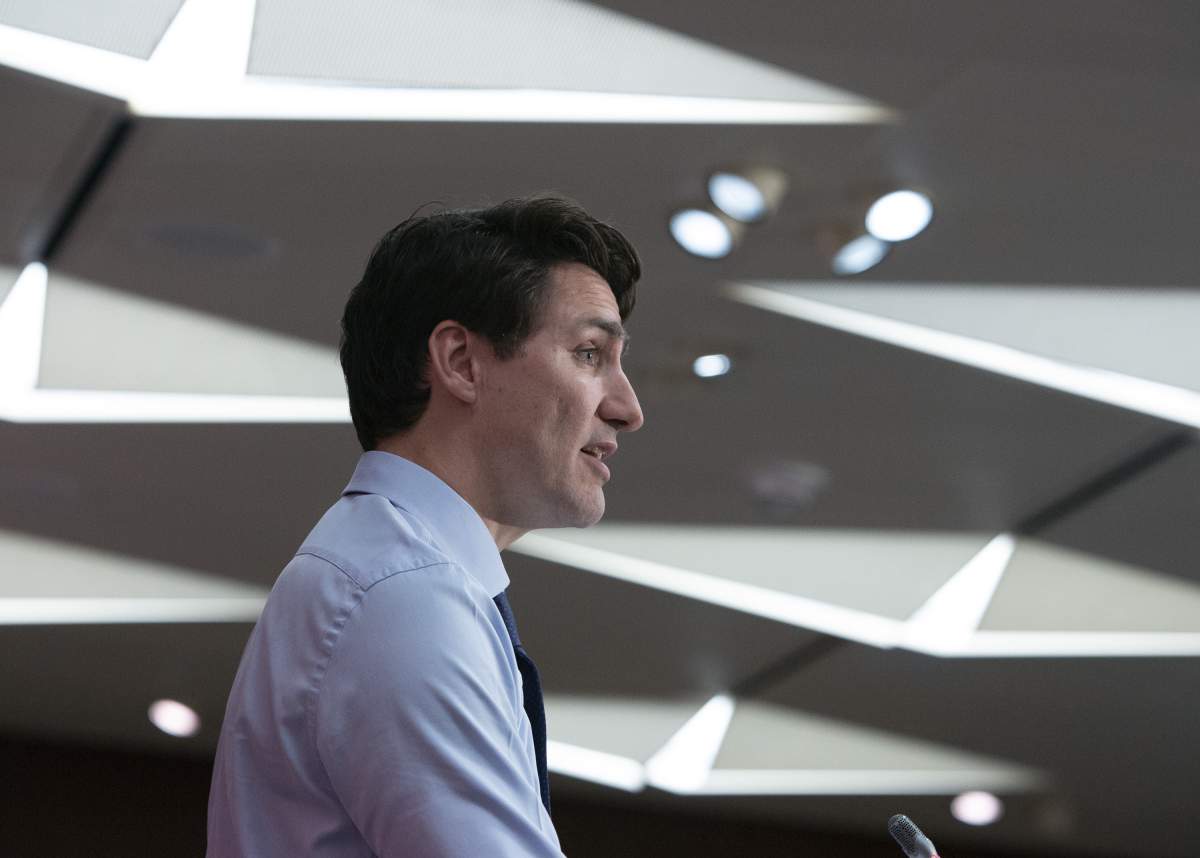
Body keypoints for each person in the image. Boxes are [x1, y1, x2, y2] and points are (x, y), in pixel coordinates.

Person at [206, 194, 645, 856]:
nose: (626, 406)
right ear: (461, 362)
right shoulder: (403, 594)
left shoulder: (388, 575)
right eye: (590, 353)